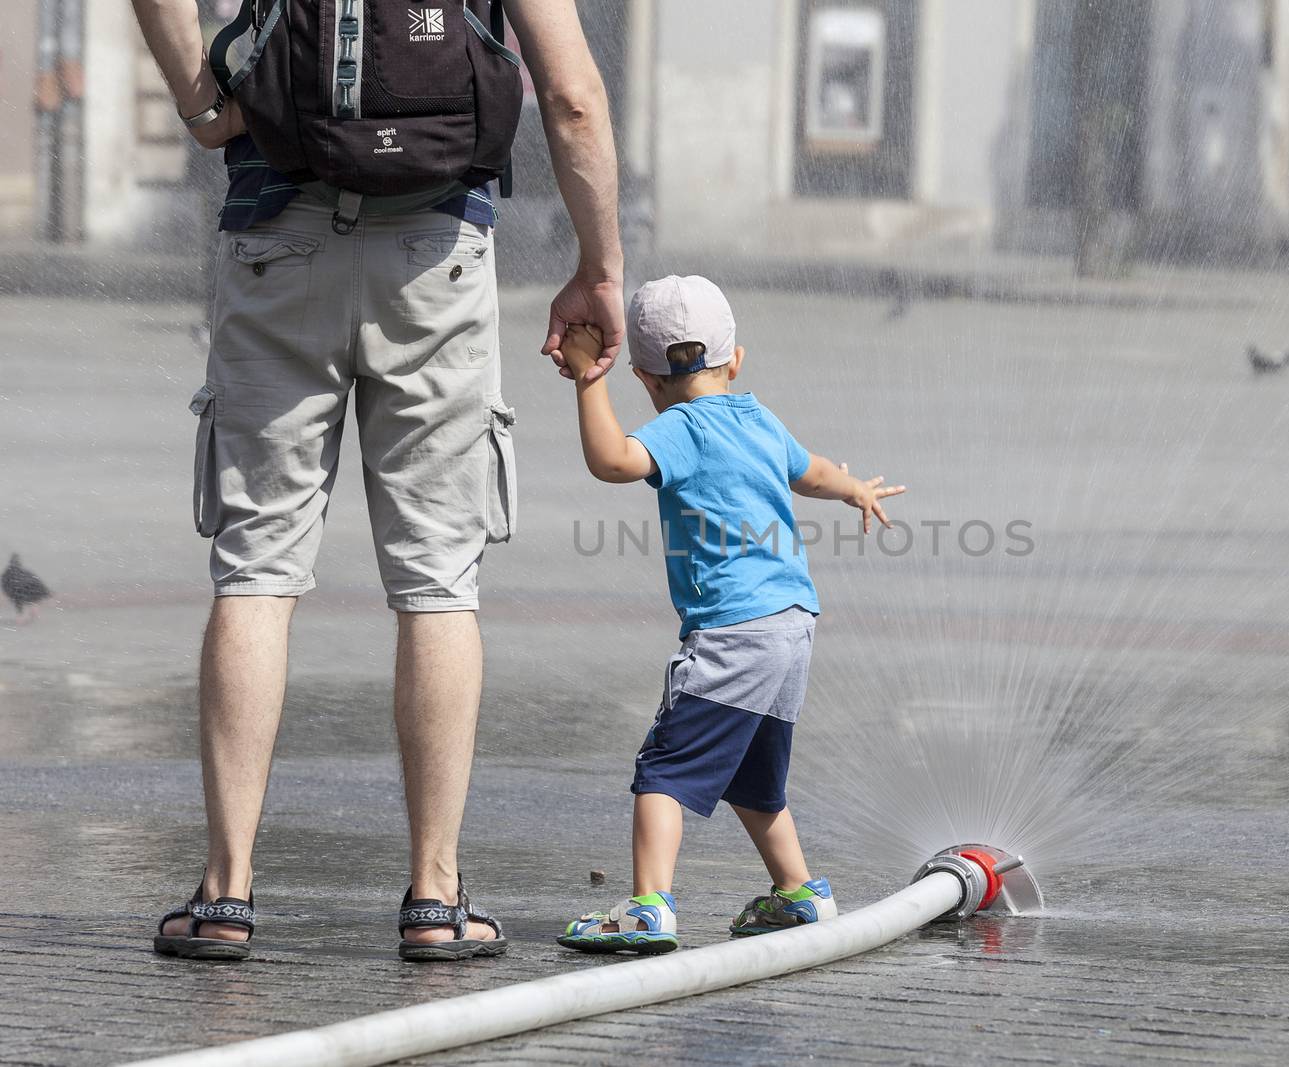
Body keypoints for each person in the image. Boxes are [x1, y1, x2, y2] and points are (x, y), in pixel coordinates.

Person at [129, 0, 624, 962]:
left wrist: (201, 104)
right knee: (439, 580)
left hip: (275, 232)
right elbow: (571, 96)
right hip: (433, 249)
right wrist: (599, 266)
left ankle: (224, 894)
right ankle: (436, 897)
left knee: (257, 571)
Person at [551, 276, 905, 954]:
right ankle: (799, 893)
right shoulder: (759, 418)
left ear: (645, 379)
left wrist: (585, 380)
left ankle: (649, 905)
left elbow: (612, 460)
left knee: (664, 768)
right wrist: (855, 488)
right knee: (753, 778)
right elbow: (813, 472)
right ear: (735, 360)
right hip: (794, 622)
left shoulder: (678, 428)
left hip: (733, 631)